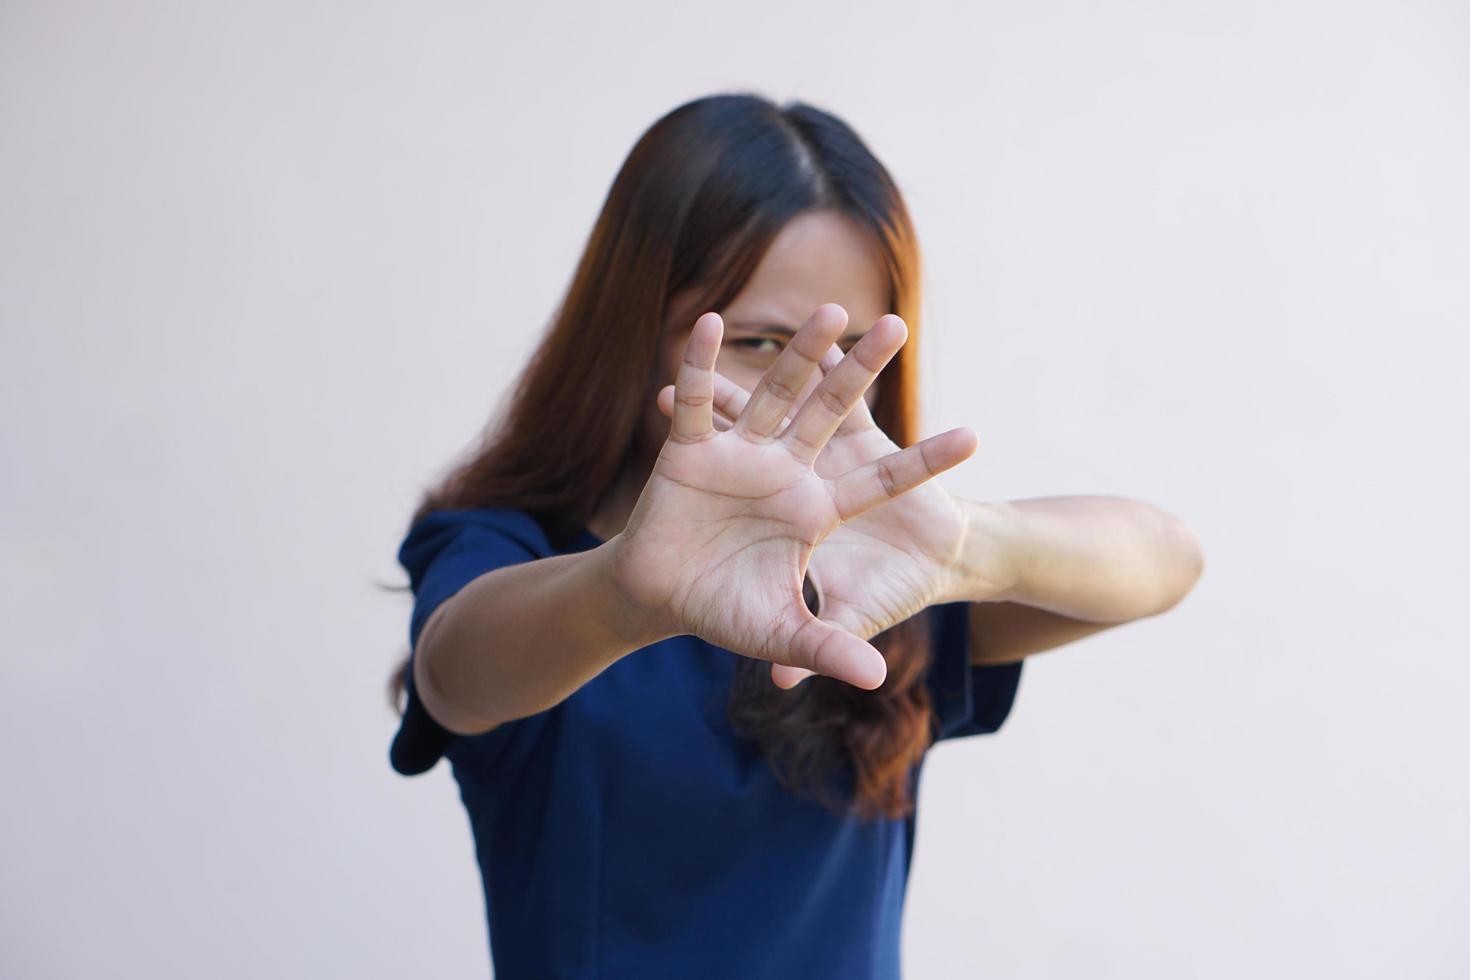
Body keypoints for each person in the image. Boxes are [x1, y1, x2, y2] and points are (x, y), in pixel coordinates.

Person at [385, 92, 1204, 979]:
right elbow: (453, 673)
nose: (813, 393)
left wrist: (968, 548)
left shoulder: (876, 577)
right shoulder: (511, 551)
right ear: (632, 338)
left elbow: (1169, 560)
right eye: (764, 344)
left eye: (851, 352)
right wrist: (624, 592)